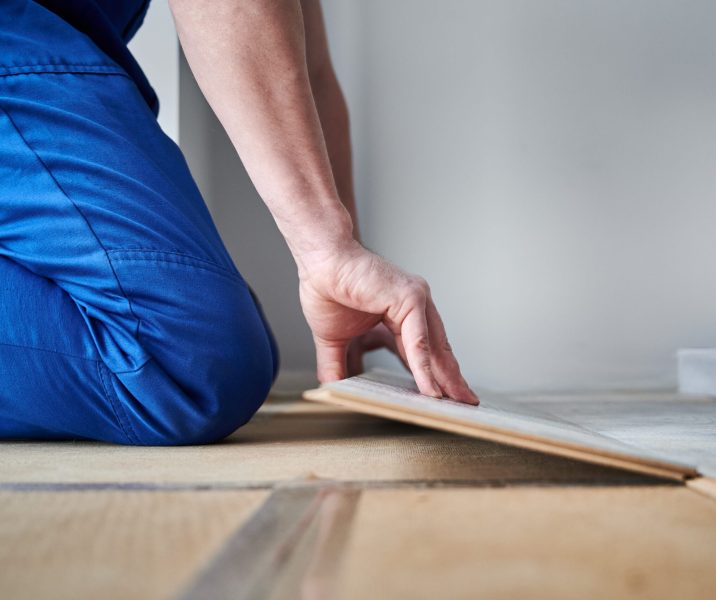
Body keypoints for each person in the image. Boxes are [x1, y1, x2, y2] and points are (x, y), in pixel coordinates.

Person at [0, 0, 477, 445]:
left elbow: (307, 65)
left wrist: (344, 259)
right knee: (190, 365)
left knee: (235, 345)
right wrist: (324, 250)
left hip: (53, 46)